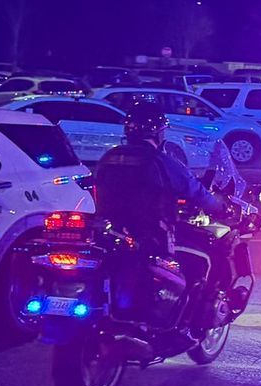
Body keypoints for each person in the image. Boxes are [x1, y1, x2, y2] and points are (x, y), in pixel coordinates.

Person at [95, 101, 236, 313]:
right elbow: (196, 191)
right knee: (192, 266)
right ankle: (177, 314)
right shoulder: (160, 161)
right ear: (159, 133)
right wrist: (222, 208)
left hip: (110, 230)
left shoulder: (110, 156)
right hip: (151, 233)